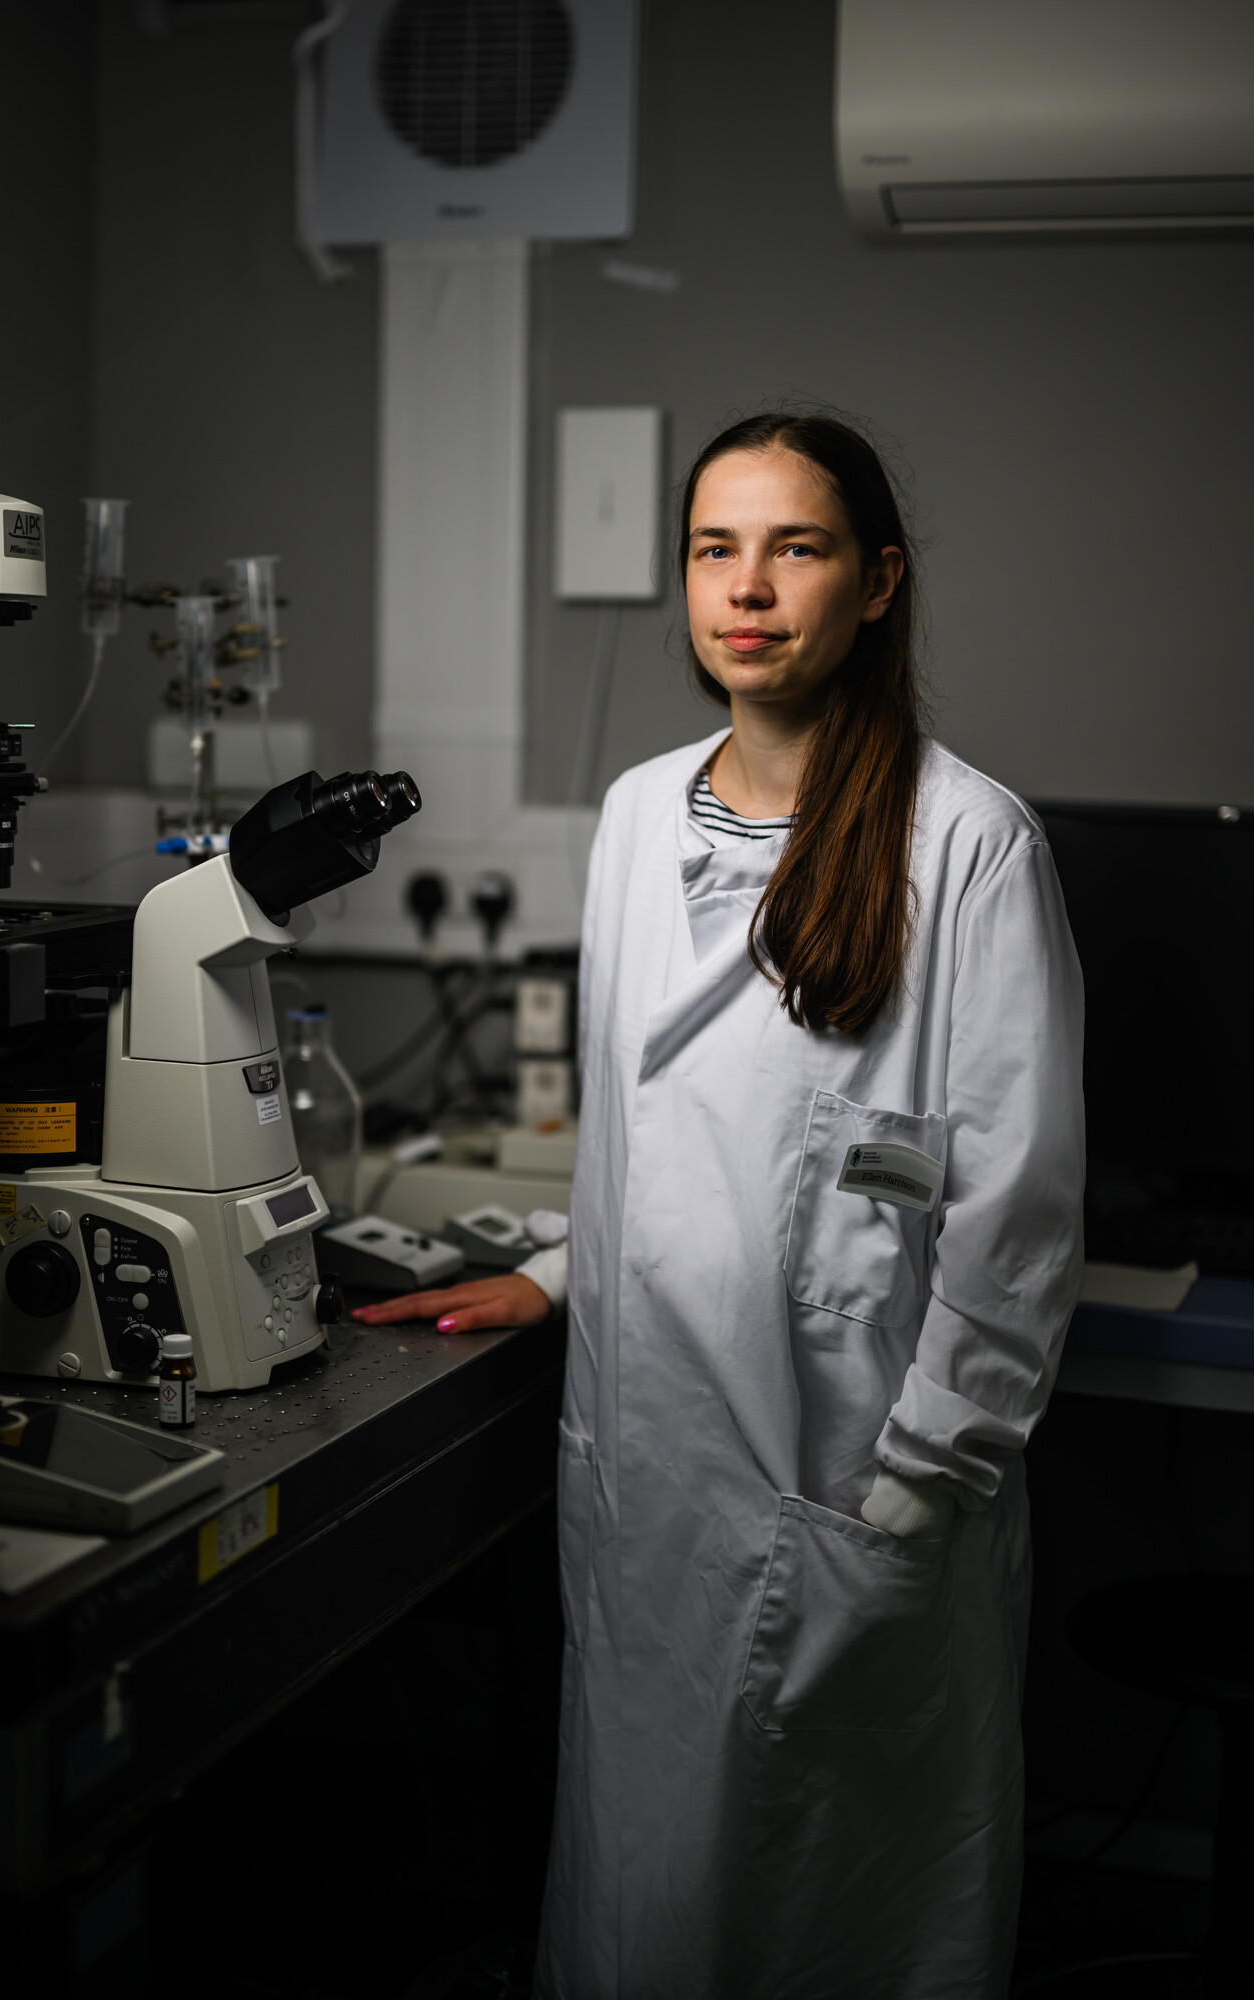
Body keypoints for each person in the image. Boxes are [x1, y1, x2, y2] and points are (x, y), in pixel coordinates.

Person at [358, 412, 1085, 1999]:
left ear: (877, 582)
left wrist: (915, 1483)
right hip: (650, 1478)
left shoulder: (966, 844)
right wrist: (557, 1269)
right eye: (712, 548)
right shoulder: (634, 817)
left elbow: (1014, 1212)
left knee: (833, 1910)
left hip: (848, 1474)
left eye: (795, 547)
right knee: (644, 1899)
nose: (744, 588)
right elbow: (660, 1133)